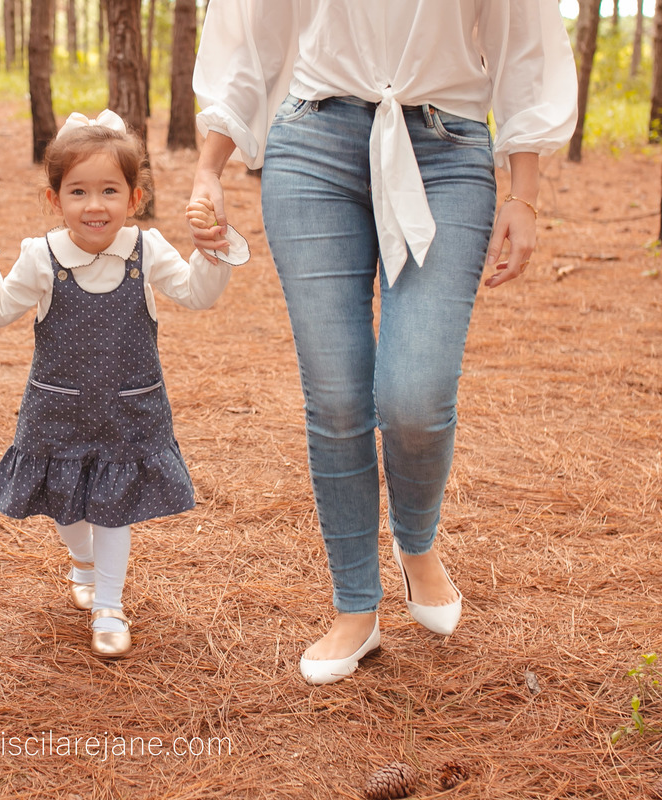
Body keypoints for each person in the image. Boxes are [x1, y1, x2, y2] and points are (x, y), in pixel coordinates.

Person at [188, 1, 577, 684]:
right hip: (312, 146)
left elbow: (524, 44)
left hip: (447, 149)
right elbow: (252, 32)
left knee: (415, 397)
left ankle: (416, 543)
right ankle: (355, 608)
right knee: (336, 398)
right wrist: (207, 168)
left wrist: (524, 192)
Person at [0, 110, 247, 657]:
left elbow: (197, 294)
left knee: (112, 506)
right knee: (67, 508)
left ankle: (110, 604)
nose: (94, 205)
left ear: (134, 199)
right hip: (57, 411)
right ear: (54, 200)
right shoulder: (42, 257)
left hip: (129, 411)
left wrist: (213, 251)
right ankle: (81, 560)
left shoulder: (146, 250)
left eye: (110, 191)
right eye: (78, 191)